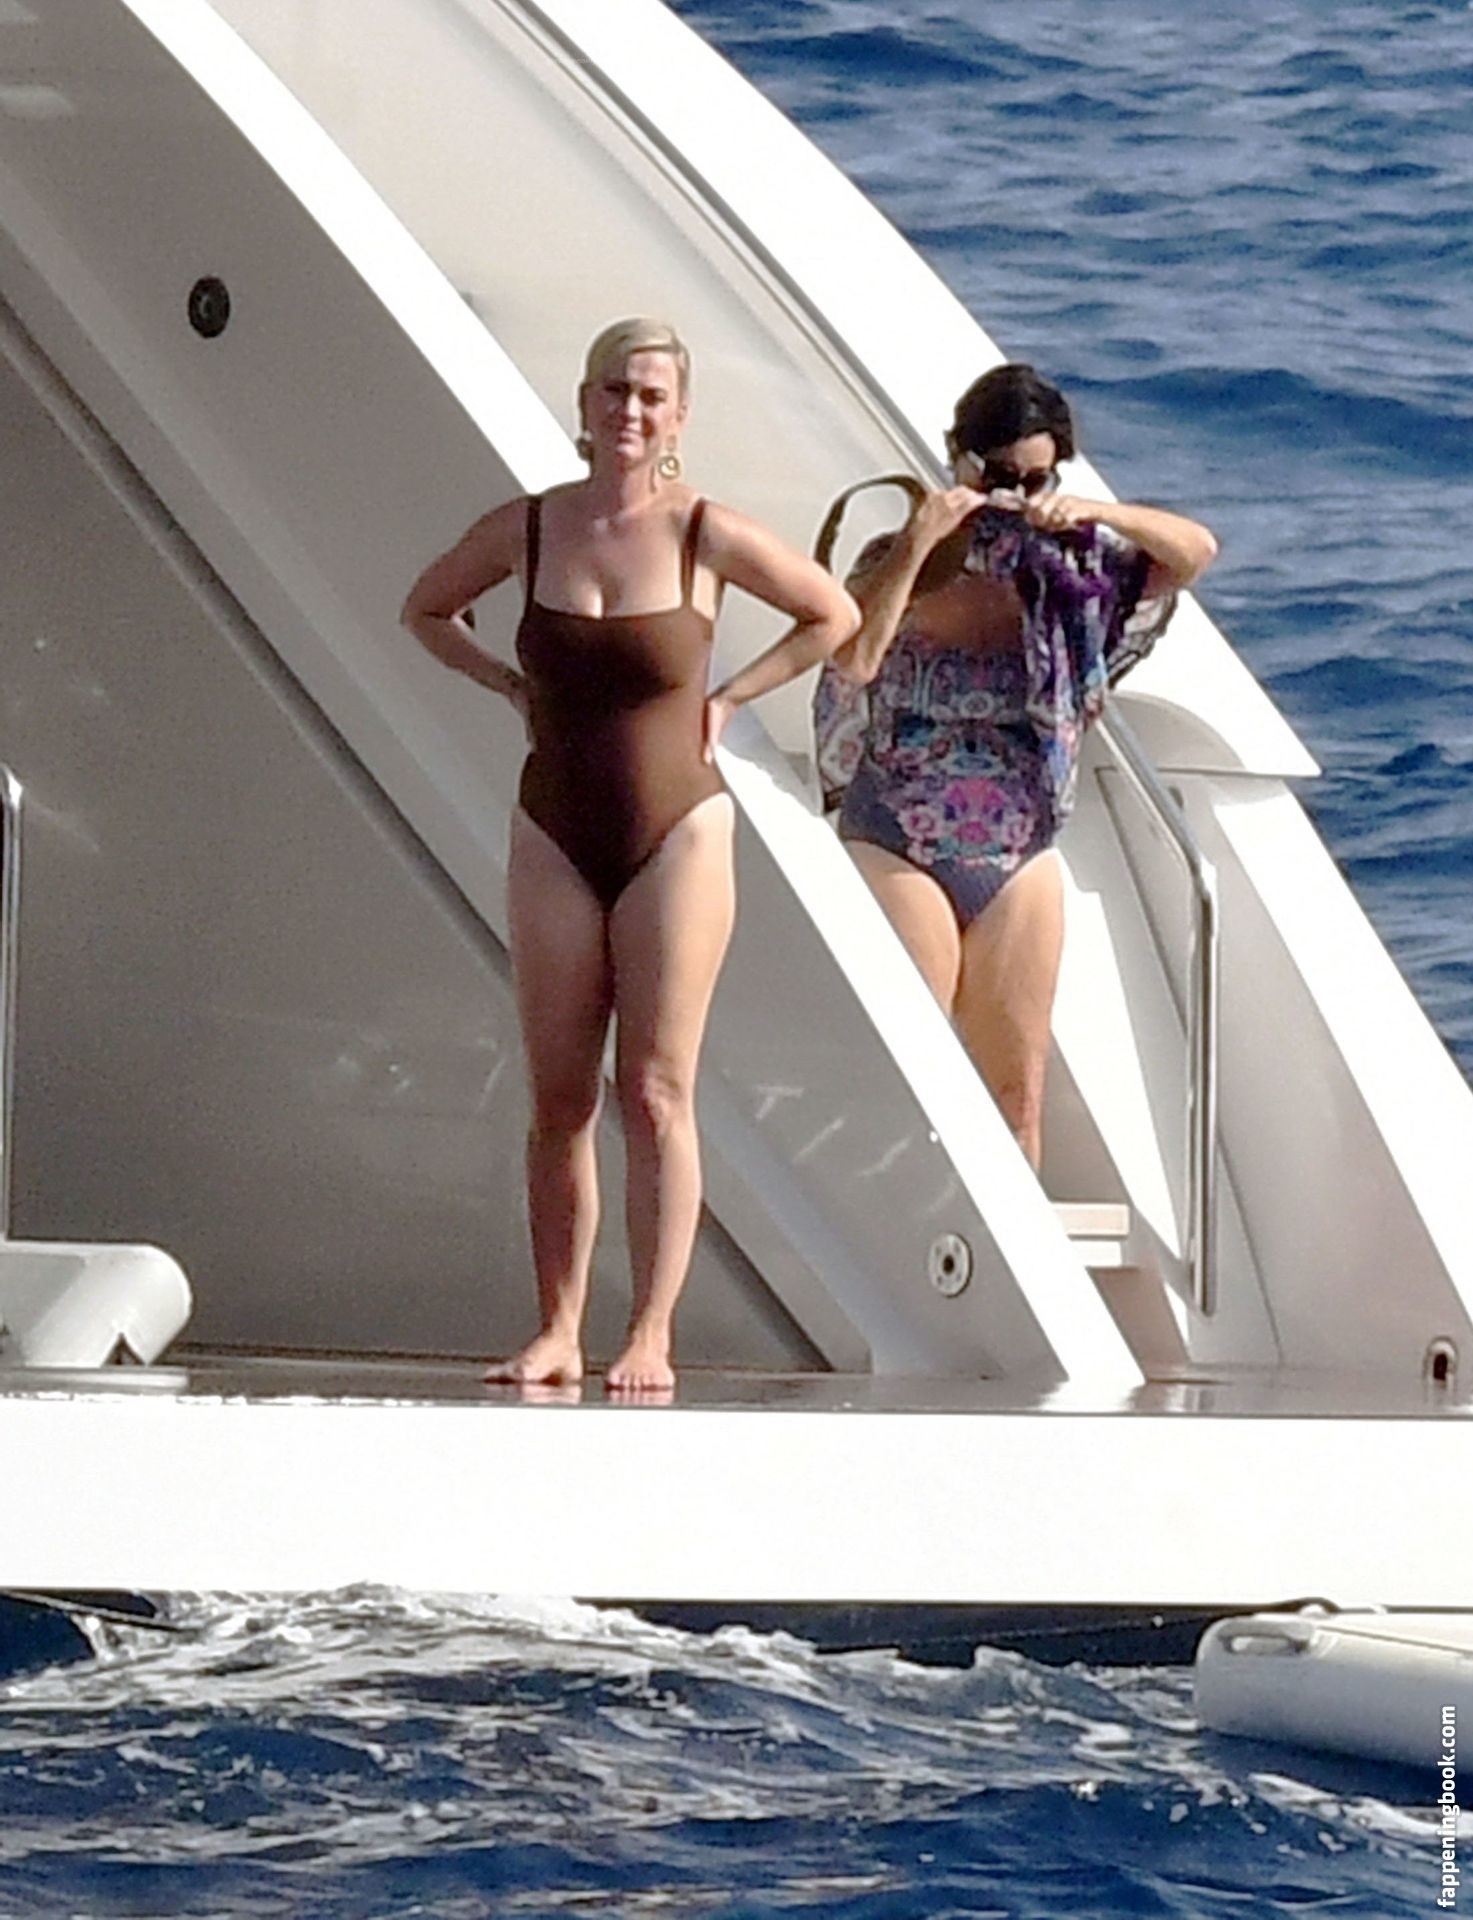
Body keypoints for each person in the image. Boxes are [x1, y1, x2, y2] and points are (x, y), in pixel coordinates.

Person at [401, 318, 858, 1393]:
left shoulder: (704, 531)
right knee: (560, 1096)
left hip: (678, 832)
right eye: (614, 390)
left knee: (654, 1090)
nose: (631, 411)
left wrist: (732, 700)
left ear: (679, 416)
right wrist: (507, 686)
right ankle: (558, 1327)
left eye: (652, 395)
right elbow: (424, 609)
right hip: (553, 828)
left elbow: (830, 613)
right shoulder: (528, 526)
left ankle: (650, 1331)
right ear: (584, 401)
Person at [815, 362, 1217, 1169]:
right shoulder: (899, 557)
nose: (1015, 496)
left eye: (1035, 478)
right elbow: (853, 659)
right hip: (898, 828)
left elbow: (1193, 552)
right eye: (999, 476)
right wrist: (923, 542)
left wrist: (1093, 510)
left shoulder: (1070, 569)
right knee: (915, 1072)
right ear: (960, 459)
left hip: (1016, 839)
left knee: (1014, 1093)